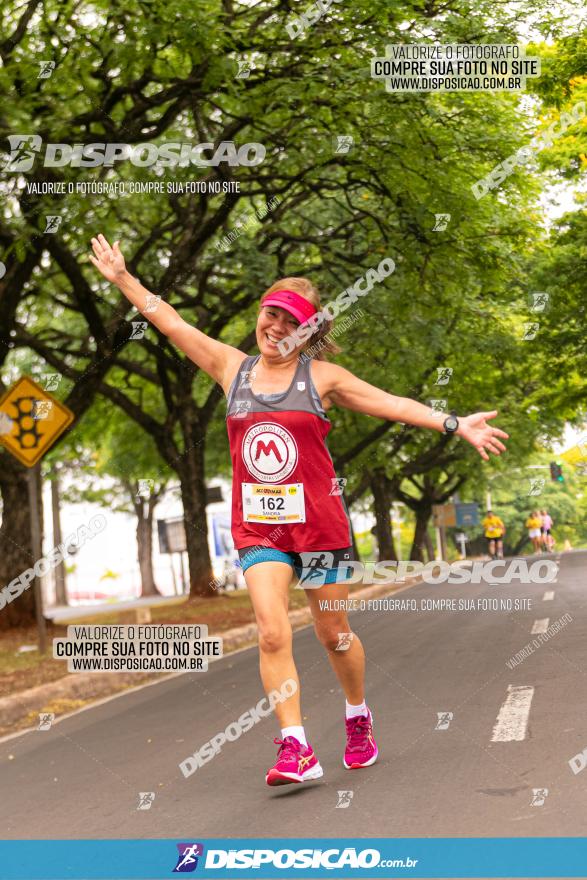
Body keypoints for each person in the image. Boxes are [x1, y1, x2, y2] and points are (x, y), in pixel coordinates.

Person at [90, 234, 509, 786]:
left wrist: (454, 424)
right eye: (272, 315)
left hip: (319, 525)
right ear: (259, 316)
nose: (277, 328)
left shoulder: (324, 380)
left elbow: (395, 405)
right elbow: (168, 320)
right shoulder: (230, 367)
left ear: (307, 332)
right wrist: (123, 278)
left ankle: (357, 714)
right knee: (270, 631)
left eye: (292, 322)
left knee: (333, 632)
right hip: (259, 527)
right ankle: (296, 747)